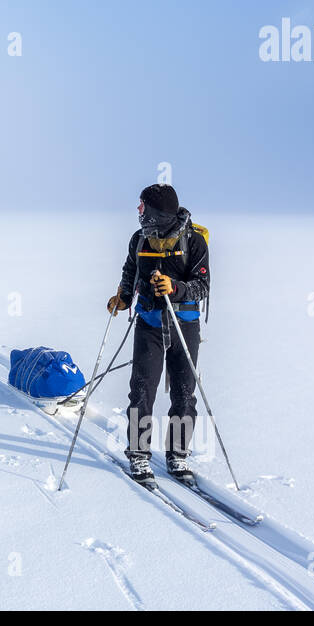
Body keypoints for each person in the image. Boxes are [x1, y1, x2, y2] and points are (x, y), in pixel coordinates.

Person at [106, 183, 210, 487]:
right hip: (149, 323)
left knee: (183, 392)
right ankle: (138, 454)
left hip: (184, 324)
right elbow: (131, 270)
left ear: (155, 213)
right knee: (141, 390)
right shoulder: (139, 239)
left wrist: (175, 289)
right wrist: (123, 296)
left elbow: (202, 287)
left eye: (142, 207)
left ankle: (177, 454)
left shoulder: (195, 243)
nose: (139, 212)